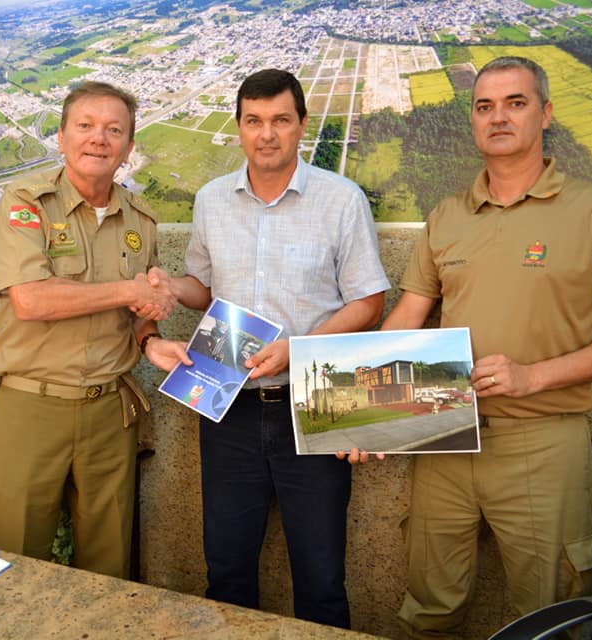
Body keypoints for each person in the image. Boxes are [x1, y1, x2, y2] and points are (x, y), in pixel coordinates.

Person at [144, 68, 390, 628]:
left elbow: (368, 303)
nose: (267, 134)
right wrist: (165, 288)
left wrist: (297, 350)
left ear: (302, 125)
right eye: (254, 121)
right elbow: (204, 289)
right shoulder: (211, 200)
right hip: (226, 405)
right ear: (239, 128)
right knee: (226, 573)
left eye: (280, 120)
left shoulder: (341, 200)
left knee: (322, 578)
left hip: (315, 401)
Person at [375, 56, 592, 637]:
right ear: (472, 121)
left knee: (550, 616)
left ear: (546, 114)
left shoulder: (590, 209)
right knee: (429, 605)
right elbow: (408, 318)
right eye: (484, 106)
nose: (498, 117)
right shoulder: (447, 216)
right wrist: (368, 415)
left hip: (544, 443)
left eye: (515, 103)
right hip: (445, 437)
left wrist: (533, 377)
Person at [0, 81, 176, 579]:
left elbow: (142, 310)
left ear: (129, 148)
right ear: (62, 136)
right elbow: (30, 299)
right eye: (86, 126)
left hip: (109, 413)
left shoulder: (141, 219)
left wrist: (152, 341)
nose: (99, 139)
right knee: (16, 561)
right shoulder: (26, 204)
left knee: (108, 564)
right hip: (32, 408)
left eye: (114, 130)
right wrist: (128, 290)